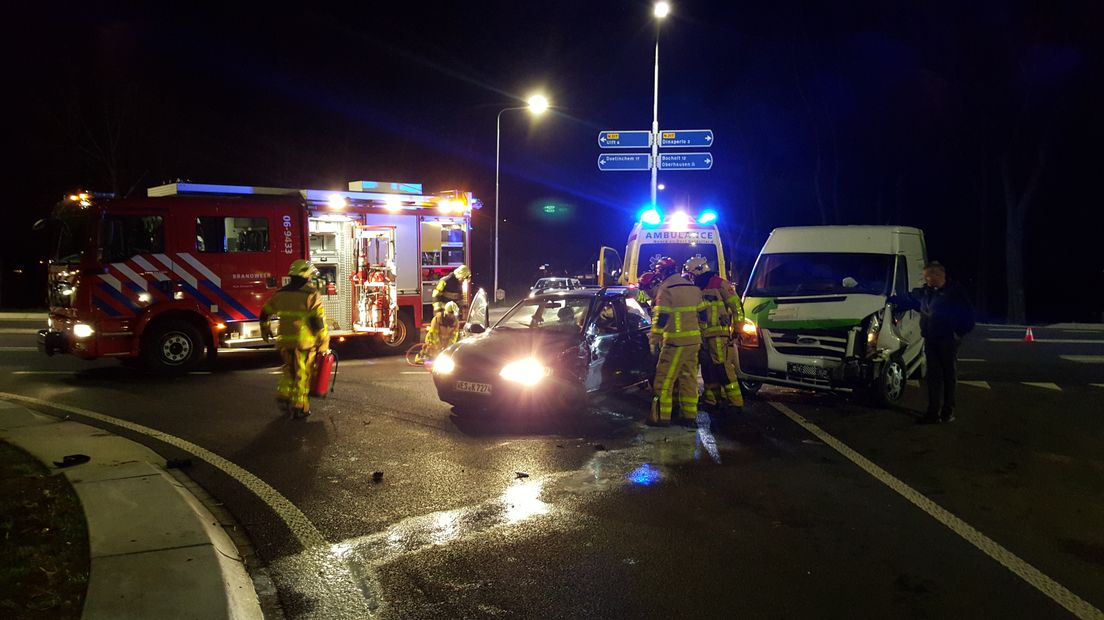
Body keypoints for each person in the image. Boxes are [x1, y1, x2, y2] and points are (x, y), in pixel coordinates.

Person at [890, 261, 975, 424]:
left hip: (948, 339)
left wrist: (958, 333)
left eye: (927, 276)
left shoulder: (954, 292)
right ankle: (933, 411)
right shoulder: (928, 292)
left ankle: (948, 411)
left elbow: (968, 315)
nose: (925, 279)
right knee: (933, 376)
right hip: (931, 338)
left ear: (938, 275)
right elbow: (915, 303)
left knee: (948, 376)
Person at [260, 260, 329, 419]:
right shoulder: (311, 294)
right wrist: (323, 341)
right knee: (302, 375)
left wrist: (265, 328)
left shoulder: (280, 294)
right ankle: (300, 407)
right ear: (305, 275)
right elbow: (317, 321)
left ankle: (284, 395)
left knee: (288, 370)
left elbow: (265, 312)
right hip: (303, 342)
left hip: (285, 341)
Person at [649, 257, 707, 427]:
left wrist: (654, 339)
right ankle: (689, 416)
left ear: (664, 272)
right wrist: (701, 332)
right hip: (693, 341)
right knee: (688, 378)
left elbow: (661, 318)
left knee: (664, 380)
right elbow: (703, 315)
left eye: (659, 272)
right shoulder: (693, 287)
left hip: (675, 342)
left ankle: (662, 417)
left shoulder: (666, 289)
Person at [685, 257, 745, 412]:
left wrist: (738, 327)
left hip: (718, 333)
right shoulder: (696, 287)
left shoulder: (719, 283)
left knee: (722, 367)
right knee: (708, 368)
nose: (691, 278)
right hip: (703, 335)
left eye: (692, 274)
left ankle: (735, 402)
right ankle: (712, 400)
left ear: (699, 270)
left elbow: (736, 305)